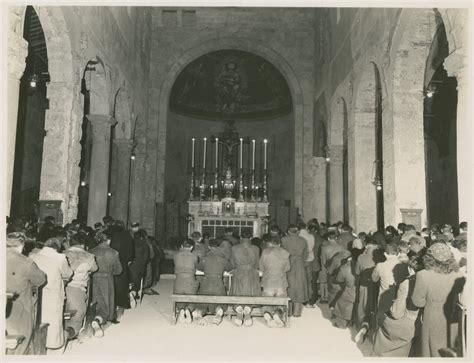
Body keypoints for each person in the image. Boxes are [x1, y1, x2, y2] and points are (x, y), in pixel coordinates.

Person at [411, 243, 466, 357]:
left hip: (433, 318)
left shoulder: (423, 275)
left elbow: (418, 302)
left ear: (429, 258)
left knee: (433, 352)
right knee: (451, 351)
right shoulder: (459, 274)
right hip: (454, 317)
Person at [6, 232, 46, 355]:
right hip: (18, 307)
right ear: (21, 246)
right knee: (21, 338)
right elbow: (40, 280)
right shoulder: (25, 262)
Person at [30, 237, 73, 350]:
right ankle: (53, 344)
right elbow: (67, 274)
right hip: (54, 291)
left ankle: (38, 343)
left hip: (37, 291)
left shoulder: (34, 256)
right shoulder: (60, 257)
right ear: (57, 248)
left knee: (39, 317)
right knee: (54, 318)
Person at [372, 263, 419, 357]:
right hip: (416, 326)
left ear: (410, 269)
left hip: (405, 326)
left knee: (383, 322)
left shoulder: (406, 283)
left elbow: (396, 313)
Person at [63, 233, 98, 339]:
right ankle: (67, 335)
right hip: (77, 289)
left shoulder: (63, 253)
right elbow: (95, 268)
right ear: (83, 244)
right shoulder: (89, 256)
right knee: (77, 316)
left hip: (61, 288)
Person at [193, 239, 233, 325]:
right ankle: (219, 312)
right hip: (218, 286)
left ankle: (198, 312)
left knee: (202, 303)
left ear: (209, 247)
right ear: (219, 247)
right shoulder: (223, 259)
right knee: (221, 303)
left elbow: (199, 268)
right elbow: (230, 268)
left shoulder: (205, 258)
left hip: (206, 285)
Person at [90, 232, 123, 332]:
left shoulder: (91, 251)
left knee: (96, 298)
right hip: (107, 279)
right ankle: (104, 318)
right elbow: (119, 270)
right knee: (107, 298)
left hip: (94, 279)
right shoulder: (114, 252)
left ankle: (95, 315)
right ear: (108, 240)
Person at [230, 229, 261, 326]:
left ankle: (239, 312)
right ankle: (247, 312)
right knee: (250, 292)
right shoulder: (256, 248)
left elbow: (232, 262)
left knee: (238, 292)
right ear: (250, 238)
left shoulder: (234, 248)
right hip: (251, 272)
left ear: (241, 237)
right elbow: (257, 263)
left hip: (239, 271)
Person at [259, 234, 291, 328]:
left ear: (270, 243)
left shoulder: (265, 252)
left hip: (268, 280)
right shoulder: (285, 252)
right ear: (280, 244)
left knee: (267, 300)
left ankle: (268, 316)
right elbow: (288, 268)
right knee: (280, 300)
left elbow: (261, 266)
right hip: (281, 281)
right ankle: (278, 313)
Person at [354, 237, 379, 343]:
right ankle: (373, 330)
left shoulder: (361, 257)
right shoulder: (381, 256)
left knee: (363, 307)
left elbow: (357, 272)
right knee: (374, 307)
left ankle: (362, 327)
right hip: (377, 286)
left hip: (365, 285)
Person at [281, 224, 309, 317]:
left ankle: (288, 311)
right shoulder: (303, 240)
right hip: (300, 263)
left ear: (288, 231)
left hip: (288, 262)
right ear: (298, 231)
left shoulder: (284, 240)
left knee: (289, 285)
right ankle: (297, 312)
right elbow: (305, 254)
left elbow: (281, 253)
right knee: (300, 286)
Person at [109, 220, 135, 314]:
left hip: (111, 262)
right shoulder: (127, 236)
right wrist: (126, 260)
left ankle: (112, 303)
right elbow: (131, 252)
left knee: (112, 283)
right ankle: (122, 304)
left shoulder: (111, 235)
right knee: (122, 284)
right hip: (122, 262)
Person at [372, 243, 402, 323]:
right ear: (398, 254)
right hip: (399, 298)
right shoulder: (404, 265)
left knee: (382, 321)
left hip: (384, 299)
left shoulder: (380, 265)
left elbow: (374, 279)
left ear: (385, 254)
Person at [173, 238, 199, 324]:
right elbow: (196, 266)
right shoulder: (195, 256)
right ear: (192, 247)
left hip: (178, 281)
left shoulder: (176, 255)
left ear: (181, 246)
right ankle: (189, 309)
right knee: (193, 293)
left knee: (179, 294)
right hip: (190, 281)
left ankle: (181, 310)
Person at [331, 250, 356, 328]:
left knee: (341, 302)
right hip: (362, 290)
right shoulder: (361, 265)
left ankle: (342, 323)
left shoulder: (344, 268)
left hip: (351, 291)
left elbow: (339, 280)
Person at [320, 230, 345, 306]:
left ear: (328, 238)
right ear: (336, 238)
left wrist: (328, 268)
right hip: (339, 267)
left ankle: (325, 298)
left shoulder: (324, 248)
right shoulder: (341, 246)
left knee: (327, 283)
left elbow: (323, 260)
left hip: (328, 267)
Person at [298, 222, 315, 308]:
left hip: (300, 260)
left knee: (300, 280)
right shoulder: (311, 236)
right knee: (309, 280)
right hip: (309, 259)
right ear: (306, 227)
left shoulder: (298, 237)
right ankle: (309, 300)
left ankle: (300, 300)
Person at [129, 229, 150, 298]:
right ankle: (135, 293)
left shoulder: (131, 243)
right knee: (138, 279)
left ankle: (130, 292)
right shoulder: (144, 244)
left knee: (130, 280)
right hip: (140, 266)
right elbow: (146, 257)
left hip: (131, 266)